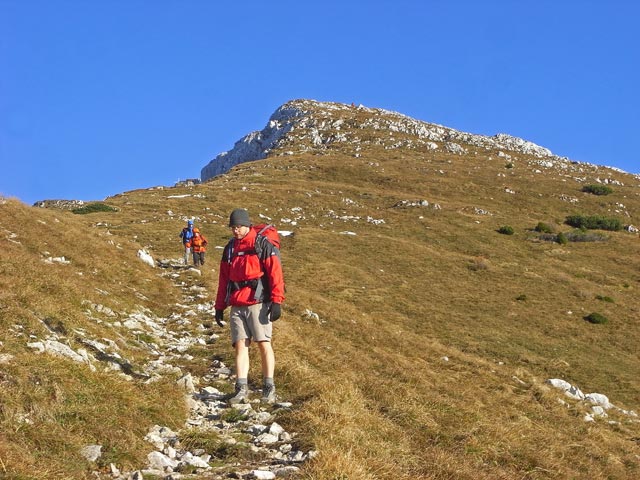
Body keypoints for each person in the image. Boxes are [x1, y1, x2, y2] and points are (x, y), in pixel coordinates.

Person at [214, 208, 285, 404]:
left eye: (239, 226)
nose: (236, 230)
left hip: (258, 302)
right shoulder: (229, 249)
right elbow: (223, 279)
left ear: (248, 225)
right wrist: (219, 306)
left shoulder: (262, 244)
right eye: (233, 227)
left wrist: (277, 301)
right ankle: (241, 388)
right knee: (240, 346)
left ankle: (269, 388)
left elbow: (275, 273)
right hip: (237, 303)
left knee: (263, 343)